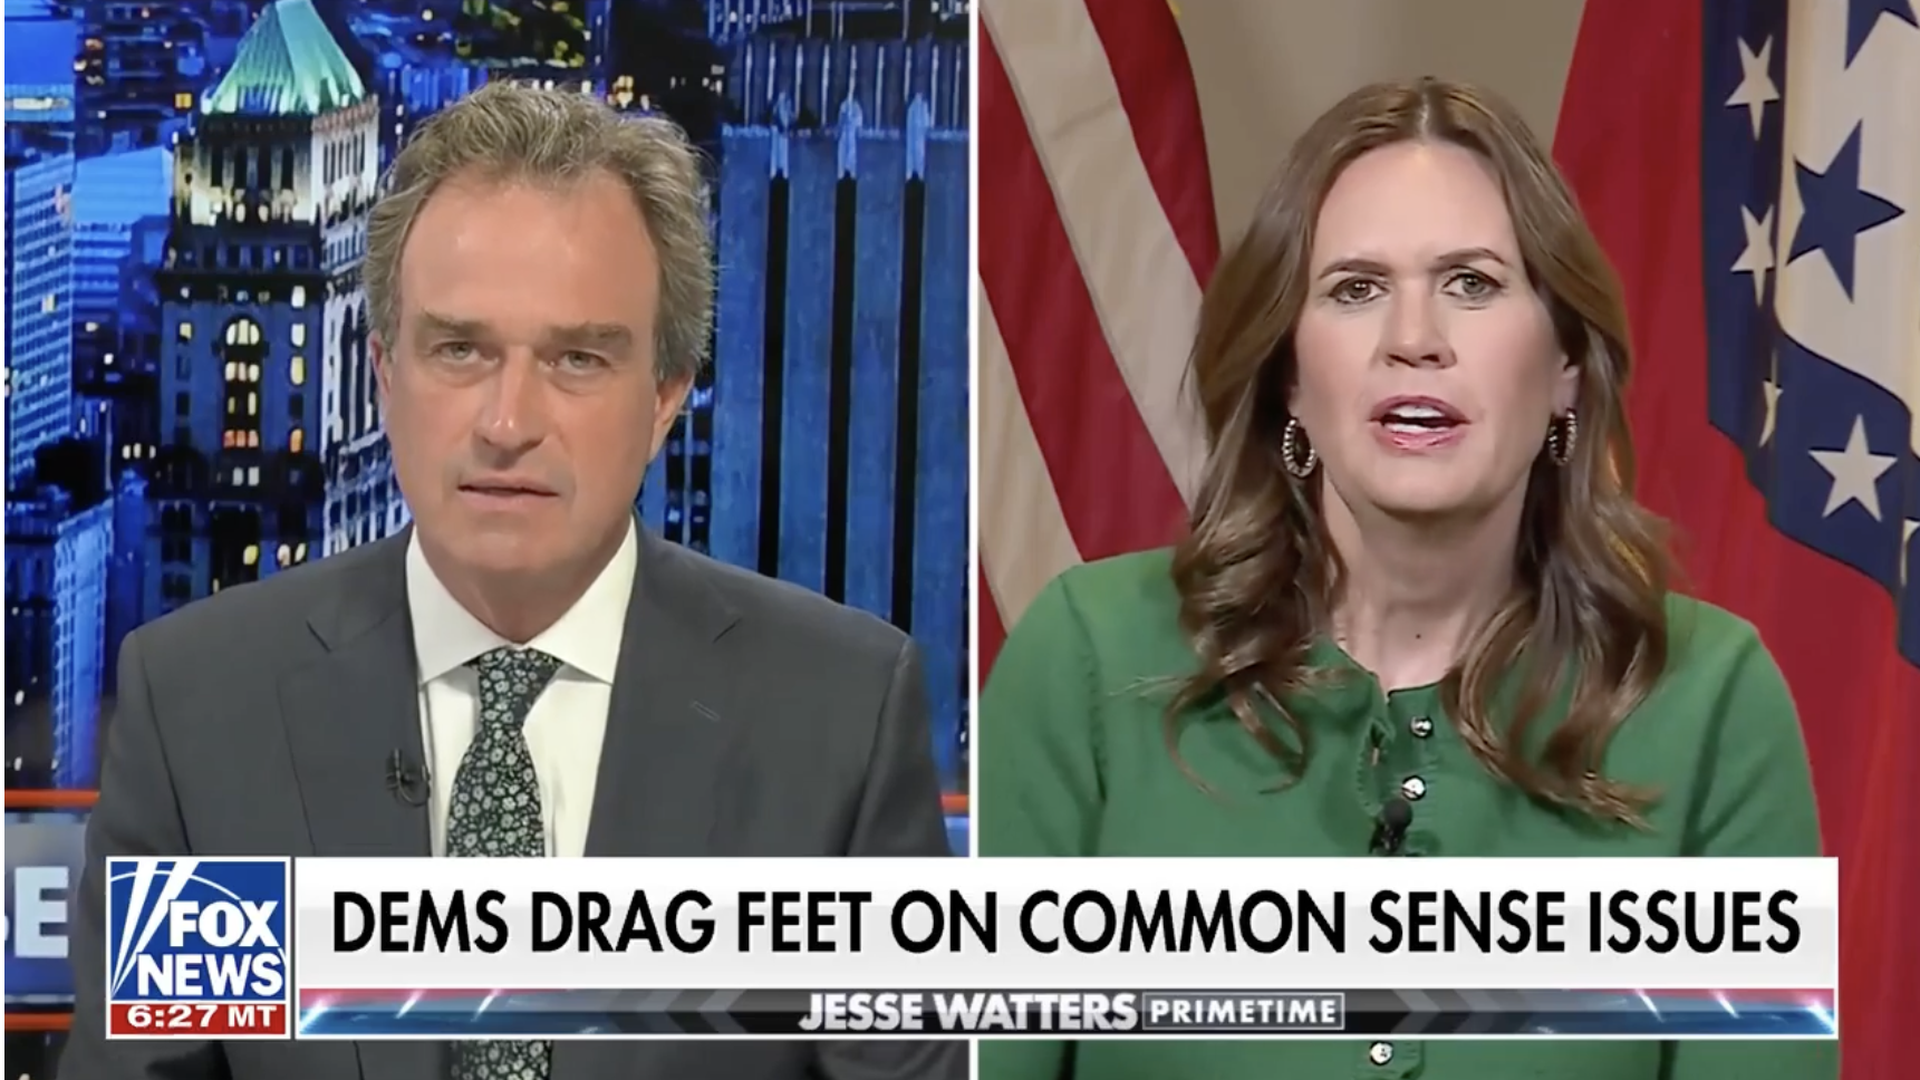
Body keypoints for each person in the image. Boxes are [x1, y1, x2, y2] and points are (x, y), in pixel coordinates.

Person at [63, 80, 962, 1080]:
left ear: (665, 396)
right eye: (459, 350)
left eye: (578, 359)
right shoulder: (196, 711)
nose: (507, 422)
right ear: (386, 372)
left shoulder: (837, 716)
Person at [976, 77, 1836, 1080]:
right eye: (1354, 289)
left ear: (1564, 362)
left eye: (1471, 282)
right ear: (1289, 372)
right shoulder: (1088, 662)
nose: (1412, 339)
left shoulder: (1712, 700)